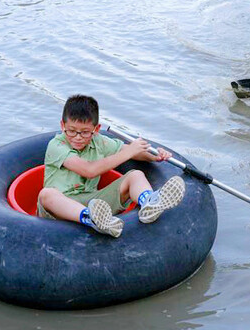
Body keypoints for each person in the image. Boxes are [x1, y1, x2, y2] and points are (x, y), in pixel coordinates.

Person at [37, 95, 186, 237]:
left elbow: (133, 152)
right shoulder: (56, 145)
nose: (77, 137)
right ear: (63, 125)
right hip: (58, 208)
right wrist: (129, 151)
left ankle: (149, 204)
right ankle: (91, 218)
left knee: (136, 175)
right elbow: (89, 170)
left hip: (93, 204)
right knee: (47, 194)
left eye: (85, 132)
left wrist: (156, 156)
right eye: (71, 131)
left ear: (96, 129)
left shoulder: (99, 141)